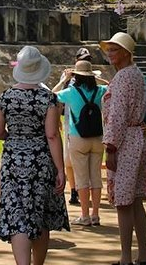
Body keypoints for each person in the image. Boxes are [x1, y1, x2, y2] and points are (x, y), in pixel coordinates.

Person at [0, 45, 69, 265]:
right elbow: (52, 135)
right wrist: (61, 170)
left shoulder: (5, 97)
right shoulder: (49, 99)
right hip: (41, 160)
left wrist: (14, 138)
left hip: (13, 161)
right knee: (40, 213)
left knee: (18, 214)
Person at [100, 32, 146, 265]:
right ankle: (142, 255)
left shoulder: (123, 77)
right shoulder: (138, 75)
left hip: (126, 142)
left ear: (125, 52)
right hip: (140, 138)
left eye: (114, 49)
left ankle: (125, 258)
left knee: (123, 202)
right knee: (136, 201)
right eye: (109, 49)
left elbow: (118, 115)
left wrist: (111, 148)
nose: (110, 53)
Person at [52, 47, 106, 206]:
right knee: (95, 177)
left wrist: (64, 79)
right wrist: (99, 79)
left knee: (82, 178)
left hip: (78, 137)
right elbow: (113, 85)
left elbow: (50, 95)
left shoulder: (71, 91)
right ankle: (95, 213)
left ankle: (85, 215)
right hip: (97, 137)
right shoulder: (100, 90)